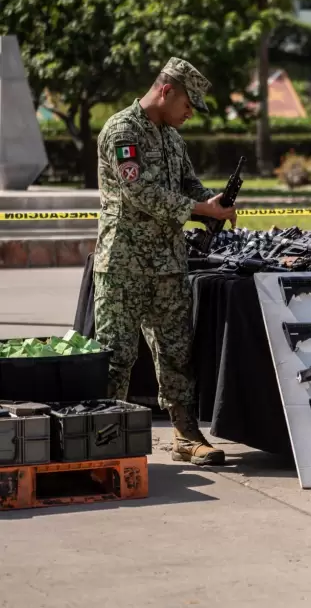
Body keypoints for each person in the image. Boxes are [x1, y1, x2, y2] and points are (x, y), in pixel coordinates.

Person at [93, 57, 237, 466]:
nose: (190, 113)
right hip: (124, 264)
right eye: (189, 103)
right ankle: (104, 438)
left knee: (176, 354)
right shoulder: (123, 131)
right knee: (116, 356)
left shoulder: (172, 138)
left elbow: (187, 184)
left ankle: (186, 435)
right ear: (166, 90)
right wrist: (201, 210)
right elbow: (143, 194)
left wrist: (212, 202)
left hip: (168, 264)